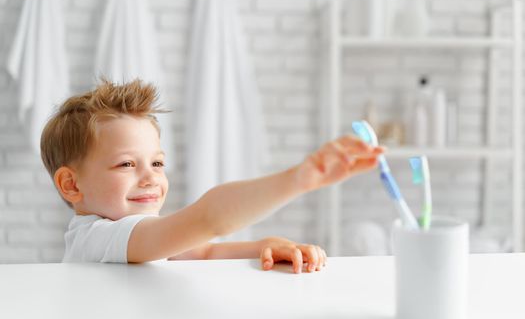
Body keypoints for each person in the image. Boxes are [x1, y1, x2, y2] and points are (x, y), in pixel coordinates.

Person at [40, 79, 384, 273]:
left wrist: (262, 246)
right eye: (127, 165)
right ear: (71, 184)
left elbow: (202, 253)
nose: (150, 178)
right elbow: (208, 219)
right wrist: (298, 179)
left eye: (157, 163)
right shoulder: (97, 238)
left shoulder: (141, 239)